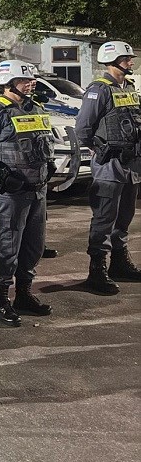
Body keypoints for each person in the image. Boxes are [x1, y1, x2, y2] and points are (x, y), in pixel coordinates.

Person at [0, 60, 56, 326]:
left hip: (36, 190)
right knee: (6, 247)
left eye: (31, 80)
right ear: (8, 82)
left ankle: (24, 294)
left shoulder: (35, 108)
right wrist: (0, 171)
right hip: (10, 192)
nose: (31, 83)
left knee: (33, 246)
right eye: (24, 80)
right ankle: (1, 301)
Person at [75, 41, 141, 293]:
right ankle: (97, 270)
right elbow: (83, 128)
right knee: (104, 218)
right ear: (112, 61)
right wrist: (99, 148)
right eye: (126, 58)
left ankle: (119, 263)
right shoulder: (99, 90)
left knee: (124, 218)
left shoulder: (130, 89)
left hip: (131, 165)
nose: (131, 62)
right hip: (110, 166)